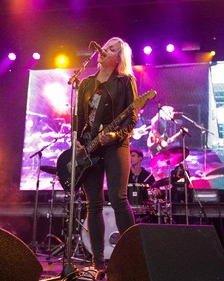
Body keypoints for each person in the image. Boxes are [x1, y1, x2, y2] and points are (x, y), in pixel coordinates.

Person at [75, 37, 138, 271]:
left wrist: (114, 136)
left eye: (112, 49)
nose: (104, 50)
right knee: (93, 205)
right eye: (105, 46)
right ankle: (98, 263)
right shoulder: (85, 84)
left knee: (119, 199)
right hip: (90, 147)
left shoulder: (125, 81)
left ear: (118, 59)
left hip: (116, 145)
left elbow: (132, 118)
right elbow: (79, 120)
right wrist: (77, 143)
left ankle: (134, 257)